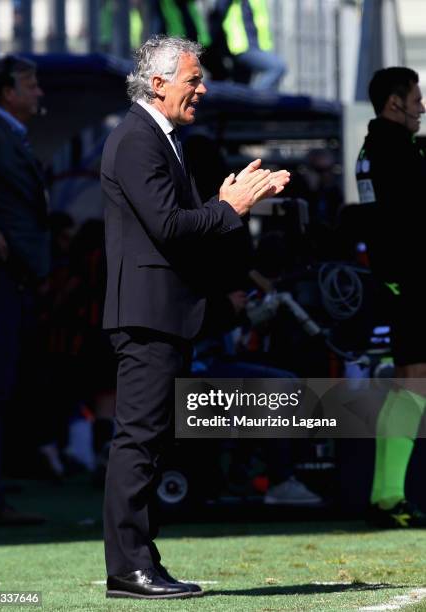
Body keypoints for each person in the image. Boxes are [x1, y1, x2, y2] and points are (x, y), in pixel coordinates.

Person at [101, 35, 290, 599]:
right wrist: (228, 207)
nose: (202, 89)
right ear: (158, 84)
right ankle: (129, 569)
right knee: (139, 441)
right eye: (193, 80)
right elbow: (172, 228)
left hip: (166, 315)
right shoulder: (138, 139)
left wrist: (226, 206)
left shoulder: (161, 140)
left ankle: (142, 563)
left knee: (152, 443)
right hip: (148, 317)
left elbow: (182, 228)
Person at [0, 56, 49, 525]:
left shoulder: (6, 136)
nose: (39, 93)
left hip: (11, 278)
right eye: (31, 84)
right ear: (7, 92)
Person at [356, 67, 426, 528]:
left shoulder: (373, 148)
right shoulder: (395, 150)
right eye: (416, 99)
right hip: (414, 281)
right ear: (395, 103)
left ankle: (387, 497)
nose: (422, 107)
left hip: (399, 281)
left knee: (409, 383)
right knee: (413, 383)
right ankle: (386, 497)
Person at [211, 0, 286, 89]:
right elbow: (217, 13)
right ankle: (256, 100)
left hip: (255, 46)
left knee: (241, 88)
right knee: (277, 67)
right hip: (241, 45)